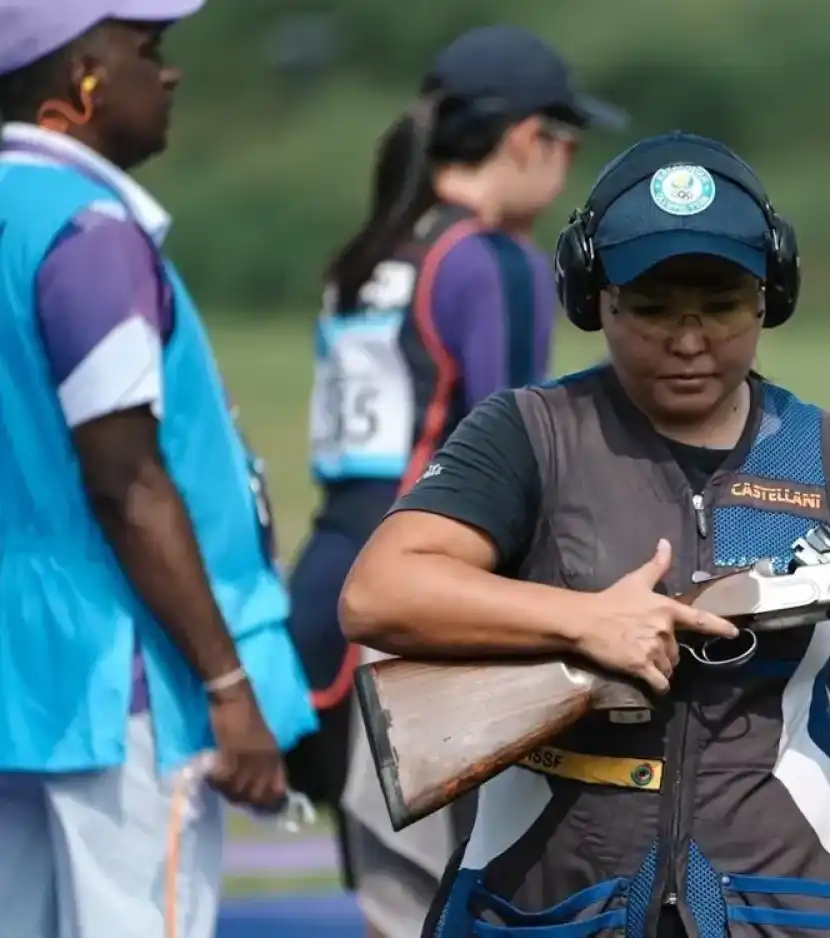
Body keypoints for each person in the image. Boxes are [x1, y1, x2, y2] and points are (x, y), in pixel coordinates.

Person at [338, 130, 830, 938]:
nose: (687, 341)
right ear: (595, 299)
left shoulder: (825, 453)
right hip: (552, 897)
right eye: (650, 310)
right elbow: (379, 592)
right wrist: (586, 621)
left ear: (766, 300)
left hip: (780, 900)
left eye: (719, 308)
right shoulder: (529, 433)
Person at [279, 23, 628, 938]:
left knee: (393, 911)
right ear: (526, 140)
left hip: (324, 604)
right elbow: (520, 463)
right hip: (426, 618)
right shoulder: (491, 262)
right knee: (466, 909)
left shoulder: (369, 255)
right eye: (567, 146)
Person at [0, 4, 318, 938]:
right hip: (127, 678)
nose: (169, 74)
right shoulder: (89, 233)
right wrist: (228, 687)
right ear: (83, 77)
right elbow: (125, 481)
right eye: (150, 50)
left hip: (22, 679)